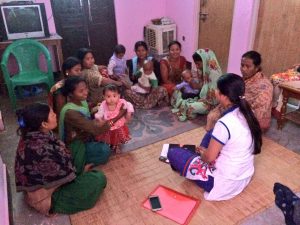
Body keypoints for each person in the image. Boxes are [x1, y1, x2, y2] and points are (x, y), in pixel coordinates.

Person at [168, 74, 262, 201]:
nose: (215, 91)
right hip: (244, 175)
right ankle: (202, 153)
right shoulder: (248, 112)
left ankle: (196, 157)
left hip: (223, 183)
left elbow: (208, 158)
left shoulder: (225, 123)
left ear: (225, 96)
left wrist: (204, 155)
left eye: (217, 89)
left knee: (173, 153)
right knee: (211, 133)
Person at [15, 103, 107, 215]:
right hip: (50, 195)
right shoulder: (40, 150)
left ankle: (78, 173)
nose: (55, 115)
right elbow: (57, 167)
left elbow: (61, 152)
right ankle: (67, 193)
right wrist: (80, 173)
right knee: (98, 178)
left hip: (58, 173)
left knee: (77, 145)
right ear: (44, 123)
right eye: (52, 114)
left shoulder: (37, 133)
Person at [59, 76, 127, 168]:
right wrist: (118, 116)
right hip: (78, 142)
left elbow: (88, 114)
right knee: (105, 151)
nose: (86, 92)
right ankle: (79, 164)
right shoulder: (70, 113)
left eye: (86, 88)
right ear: (71, 94)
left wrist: (98, 108)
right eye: (81, 91)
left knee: (107, 133)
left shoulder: (81, 101)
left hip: (86, 133)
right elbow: (94, 130)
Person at [206, 51, 273, 132]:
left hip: (252, 120)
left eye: (248, 66)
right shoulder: (245, 79)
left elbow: (257, 113)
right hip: (238, 109)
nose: (243, 69)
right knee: (212, 115)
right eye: (242, 65)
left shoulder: (265, 87)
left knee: (221, 121)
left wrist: (232, 111)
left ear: (257, 68)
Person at [171, 48, 222, 122]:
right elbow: (199, 87)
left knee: (190, 106)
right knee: (177, 92)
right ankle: (187, 105)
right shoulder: (202, 70)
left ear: (205, 61)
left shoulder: (214, 74)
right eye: (196, 64)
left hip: (211, 103)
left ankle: (189, 107)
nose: (197, 66)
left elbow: (214, 98)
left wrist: (203, 99)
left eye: (198, 64)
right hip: (199, 96)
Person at [125, 41, 169, 109]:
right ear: (135, 51)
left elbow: (158, 78)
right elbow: (131, 79)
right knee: (127, 92)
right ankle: (149, 103)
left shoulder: (153, 61)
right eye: (138, 51)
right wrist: (139, 79)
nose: (141, 53)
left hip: (151, 89)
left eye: (143, 50)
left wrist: (151, 84)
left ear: (147, 51)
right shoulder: (132, 62)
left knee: (162, 90)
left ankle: (142, 104)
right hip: (139, 89)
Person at [95, 84, 134, 153]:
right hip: (109, 125)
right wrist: (99, 117)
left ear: (119, 96)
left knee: (119, 136)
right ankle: (111, 144)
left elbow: (127, 105)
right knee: (109, 136)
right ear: (104, 97)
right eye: (108, 96)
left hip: (119, 125)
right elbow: (100, 113)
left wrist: (128, 114)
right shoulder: (103, 104)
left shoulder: (121, 102)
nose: (112, 99)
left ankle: (117, 146)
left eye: (114, 96)